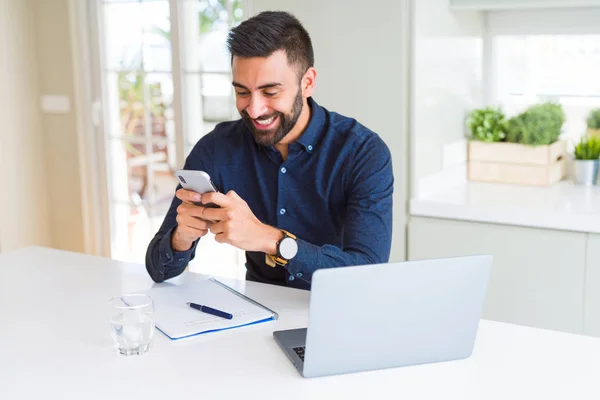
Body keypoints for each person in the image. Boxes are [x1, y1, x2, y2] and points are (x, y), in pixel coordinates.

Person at [145, 11, 394, 290]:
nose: (254, 109)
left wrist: (270, 240)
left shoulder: (364, 153)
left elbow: (367, 272)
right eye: (242, 92)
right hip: (256, 313)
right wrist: (181, 237)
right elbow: (158, 270)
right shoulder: (216, 148)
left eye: (270, 92)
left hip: (339, 310)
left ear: (307, 83)